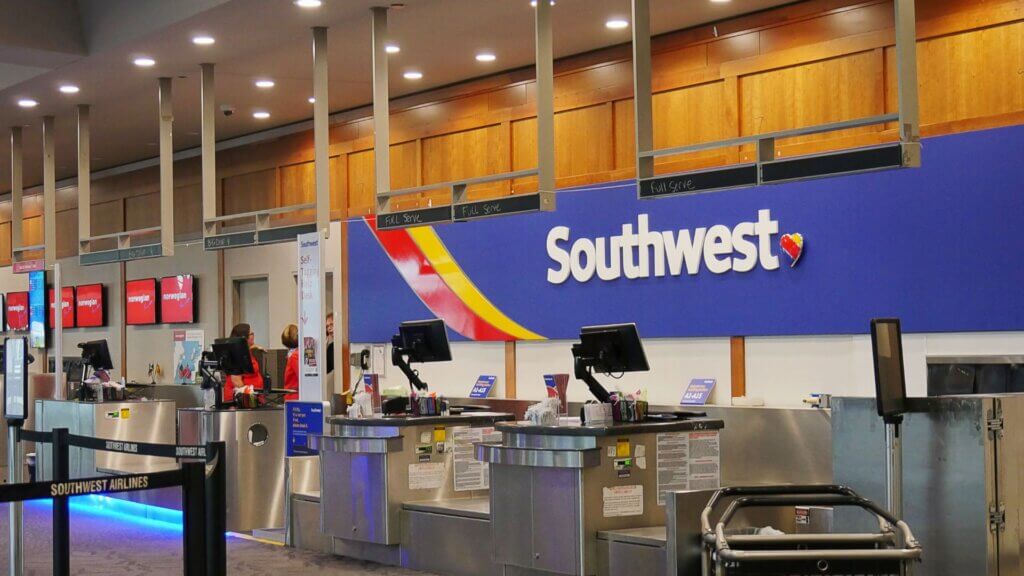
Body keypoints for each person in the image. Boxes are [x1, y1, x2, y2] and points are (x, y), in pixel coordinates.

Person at [227, 323, 262, 402]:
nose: (253, 336)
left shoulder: (246, 351)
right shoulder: (238, 353)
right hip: (242, 399)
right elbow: (236, 380)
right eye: (251, 334)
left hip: (249, 398)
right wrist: (250, 399)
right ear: (243, 337)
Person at [281, 324, 299, 401]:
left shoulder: (293, 355)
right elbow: (302, 377)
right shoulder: (295, 356)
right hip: (294, 397)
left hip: (293, 396)